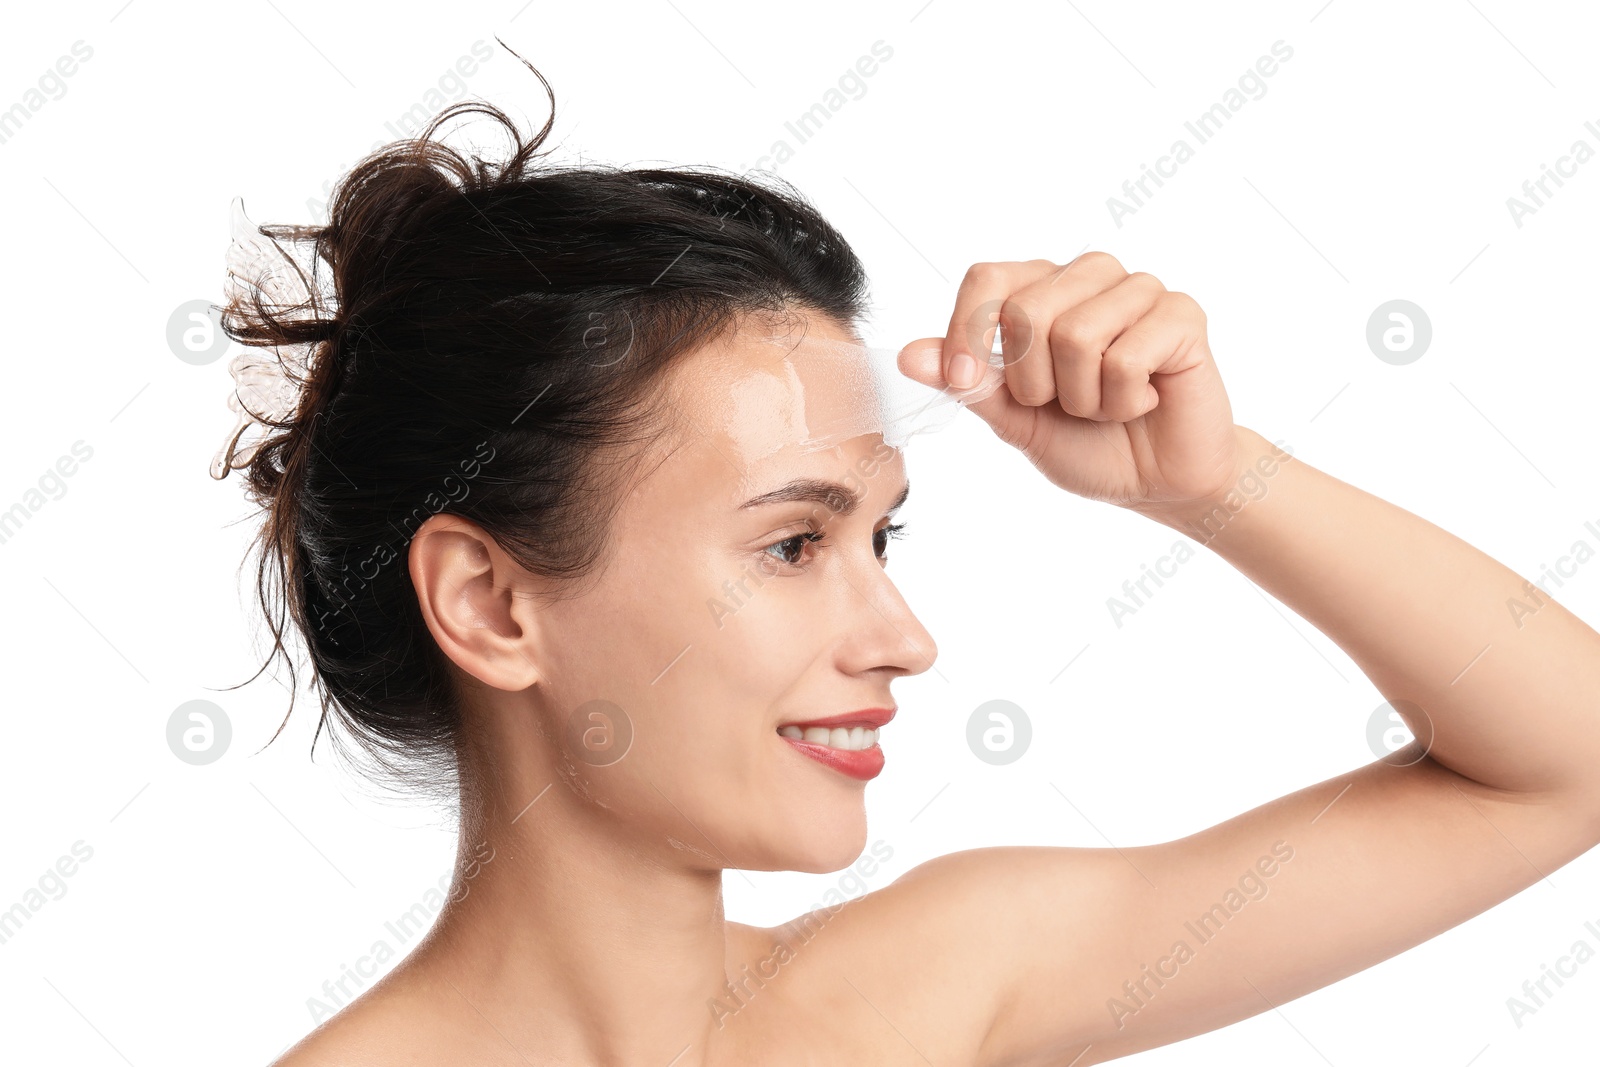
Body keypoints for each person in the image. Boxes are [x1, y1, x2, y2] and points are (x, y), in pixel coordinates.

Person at [221, 55, 1600, 1067]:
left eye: (877, 536)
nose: (903, 639)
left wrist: (1213, 482)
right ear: (492, 601)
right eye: (792, 542)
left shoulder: (927, 995)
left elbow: (1566, 760)